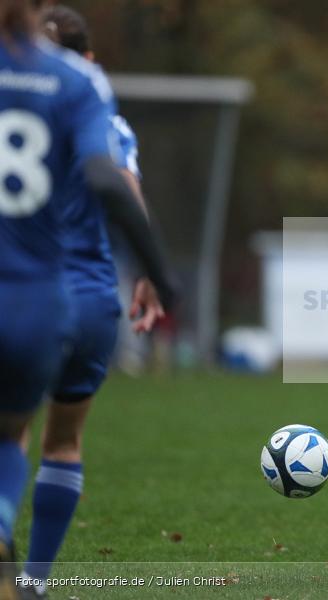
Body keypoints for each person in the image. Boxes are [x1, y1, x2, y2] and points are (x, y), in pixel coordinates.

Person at [0, 2, 174, 598]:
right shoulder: (89, 99)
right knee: (64, 439)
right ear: (89, 57)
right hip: (92, 293)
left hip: (19, 281)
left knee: (9, 433)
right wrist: (152, 271)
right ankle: (36, 583)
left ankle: (1, 520)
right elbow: (120, 185)